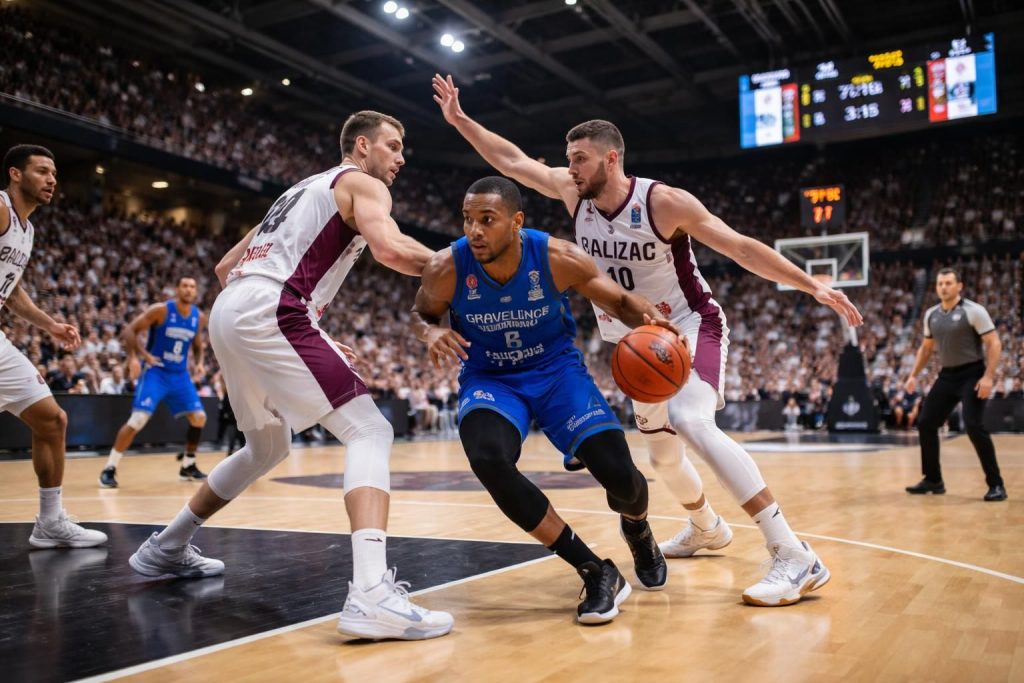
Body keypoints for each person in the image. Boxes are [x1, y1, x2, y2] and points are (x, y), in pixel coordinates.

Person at [433, 75, 864, 606]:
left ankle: (794, 553)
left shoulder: (663, 202)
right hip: (636, 343)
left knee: (690, 420)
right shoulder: (573, 194)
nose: (571, 168)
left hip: (687, 326)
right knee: (661, 458)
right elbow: (512, 161)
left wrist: (810, 284)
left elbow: (740, 247)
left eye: (580, 159)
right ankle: (706, 526)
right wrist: (461, 120)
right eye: (569, 160)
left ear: (611, 158)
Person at [127, 110, 453, 641]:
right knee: (370, 430)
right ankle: (371, 595)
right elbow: (391, 249)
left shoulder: (298, 191)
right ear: (362, 146)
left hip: (233, 309)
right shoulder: (362, 184)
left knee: (267, 447)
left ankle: (165, 546)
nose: (401, 158)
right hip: (274, 308)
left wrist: (304, 327)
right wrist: (460, 266)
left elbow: (224, 269)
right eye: (393, 146)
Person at [412, 176, 670, 624]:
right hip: (491, 378)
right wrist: (430, 332)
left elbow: (620, 301)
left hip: (555, 373)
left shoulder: (557, 258)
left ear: (516, 222)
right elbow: (421, 314)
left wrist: (654, 322)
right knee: (487, 458)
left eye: (487, 220)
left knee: (623, 480)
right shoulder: (446, 267)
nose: (474, 231)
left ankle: (637, 527)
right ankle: (594, 569)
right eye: (468, 219)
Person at [0, 144, 107, 549]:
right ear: (15, 174)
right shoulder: (0, 209)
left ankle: (49, 522)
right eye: (42, 171)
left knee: (51, 420)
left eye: (54, 174)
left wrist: (50, 326)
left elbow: (11, 291)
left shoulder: (26, 230)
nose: (51, 180)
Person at [904, 267, 1007, 501]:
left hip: (973, 374)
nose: (944, 287)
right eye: (940, 283)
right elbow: (926, 348)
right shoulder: (931, 314)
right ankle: (933, 480)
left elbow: (994, 343)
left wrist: (988, 377)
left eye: (948, 283)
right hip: (947, 376)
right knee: (926, 422)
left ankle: (996, 485)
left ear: (959, 286)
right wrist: (913, 375)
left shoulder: (974, 311)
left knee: (973, 425)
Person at [99, 277, 209, 487]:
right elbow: (129, 330)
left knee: (199, 418)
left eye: (192, 287)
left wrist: (200, 363)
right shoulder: (161, 310)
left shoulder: (198, 317)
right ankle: (109, 468)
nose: (188, 289)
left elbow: (197, 345)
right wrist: (137, 357)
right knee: (138, 419)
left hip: (180, 375)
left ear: (196, 292)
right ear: (177, 289)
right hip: (156, 372)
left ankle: (188, 465)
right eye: (184, 286)